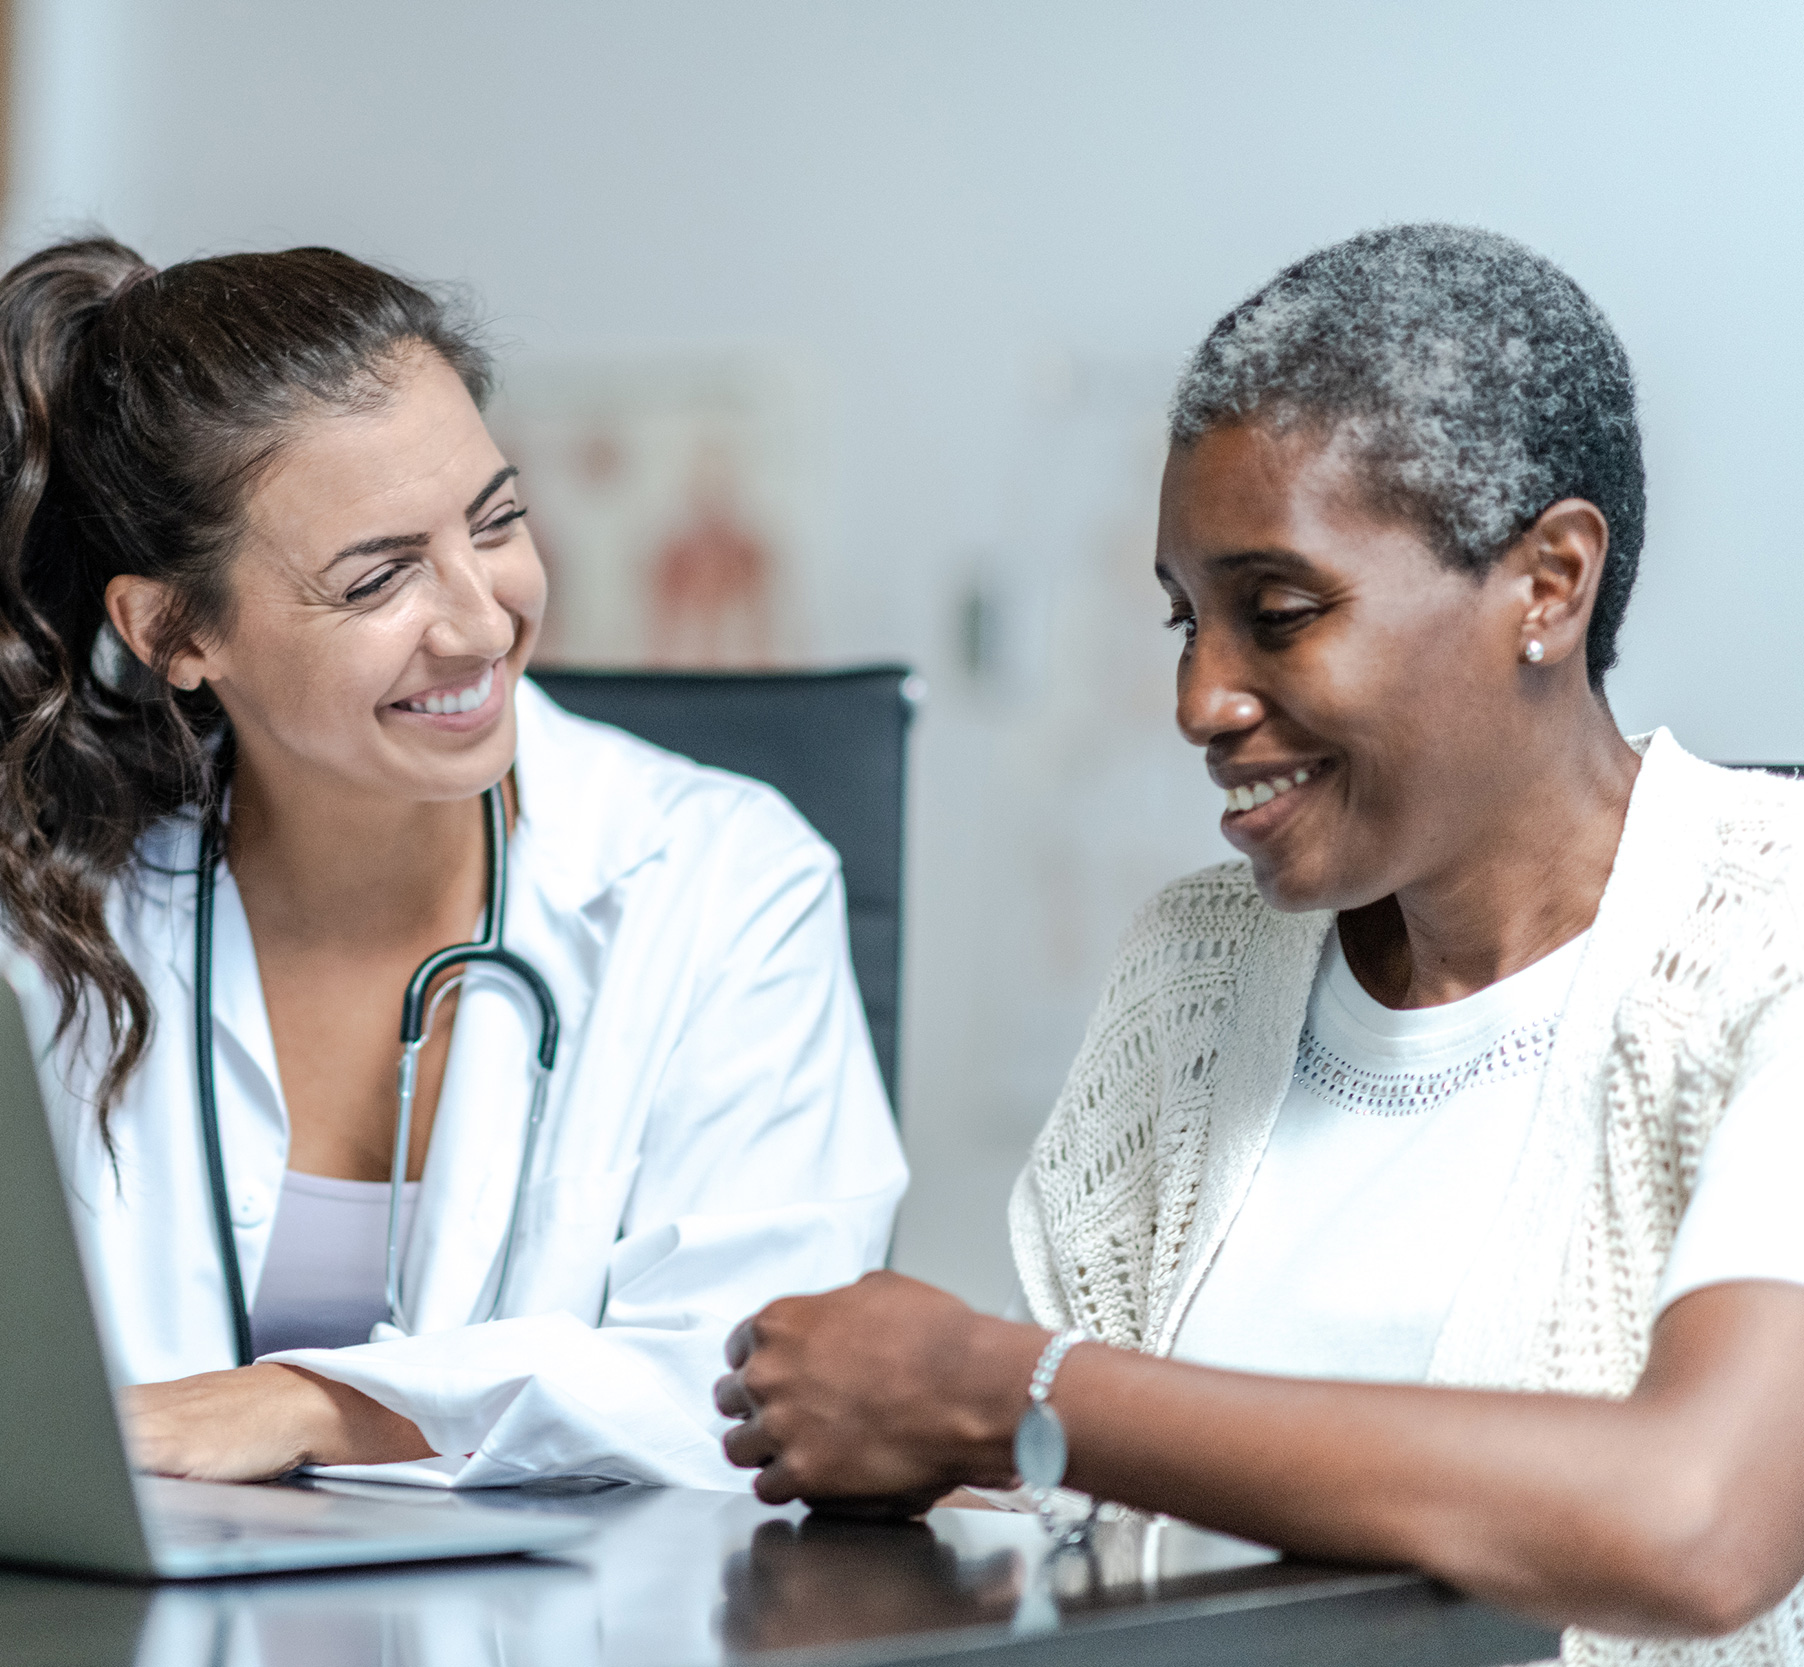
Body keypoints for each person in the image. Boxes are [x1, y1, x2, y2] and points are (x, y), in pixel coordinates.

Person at [0, 238, 906, 1517]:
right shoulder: (27, 893)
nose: (482, 618)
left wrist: (304, 1404)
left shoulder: (721, 878)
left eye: (494, 521)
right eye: (378, 580)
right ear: (175, 628)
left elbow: (769, 1382)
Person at [714, 225, 1804, 1661]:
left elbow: (1699, 1523)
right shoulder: (1197, 973)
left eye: (1278, 615)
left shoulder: (1764, 942)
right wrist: (929, 1440)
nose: (1202, 701)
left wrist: (1010, 1390)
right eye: (1187, 621)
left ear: (1549, 582)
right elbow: (1061, 1512)